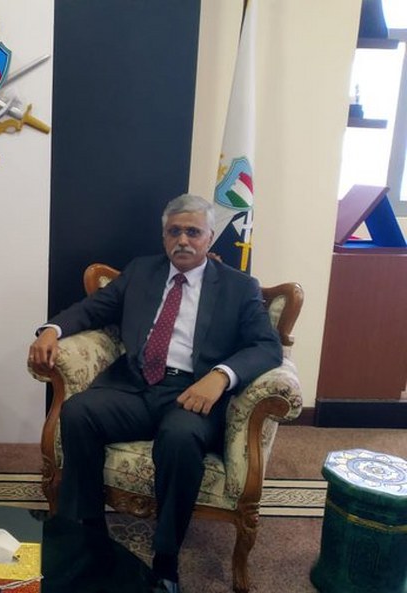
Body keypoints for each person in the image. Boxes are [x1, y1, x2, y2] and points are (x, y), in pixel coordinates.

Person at [28, 194, 282, 593]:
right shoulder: (141, 271)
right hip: (135, 385)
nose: (183, 240)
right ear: (164, 236)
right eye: (174, 231)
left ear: (209, 237)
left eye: (193, 232)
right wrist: (51, 330)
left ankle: (165, 561)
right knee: (78, 412)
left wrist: (220, 376)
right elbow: (94, 309)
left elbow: (267, 346)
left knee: (179, 438)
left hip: (192, 391)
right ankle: (90, 534)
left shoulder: (238, 287)